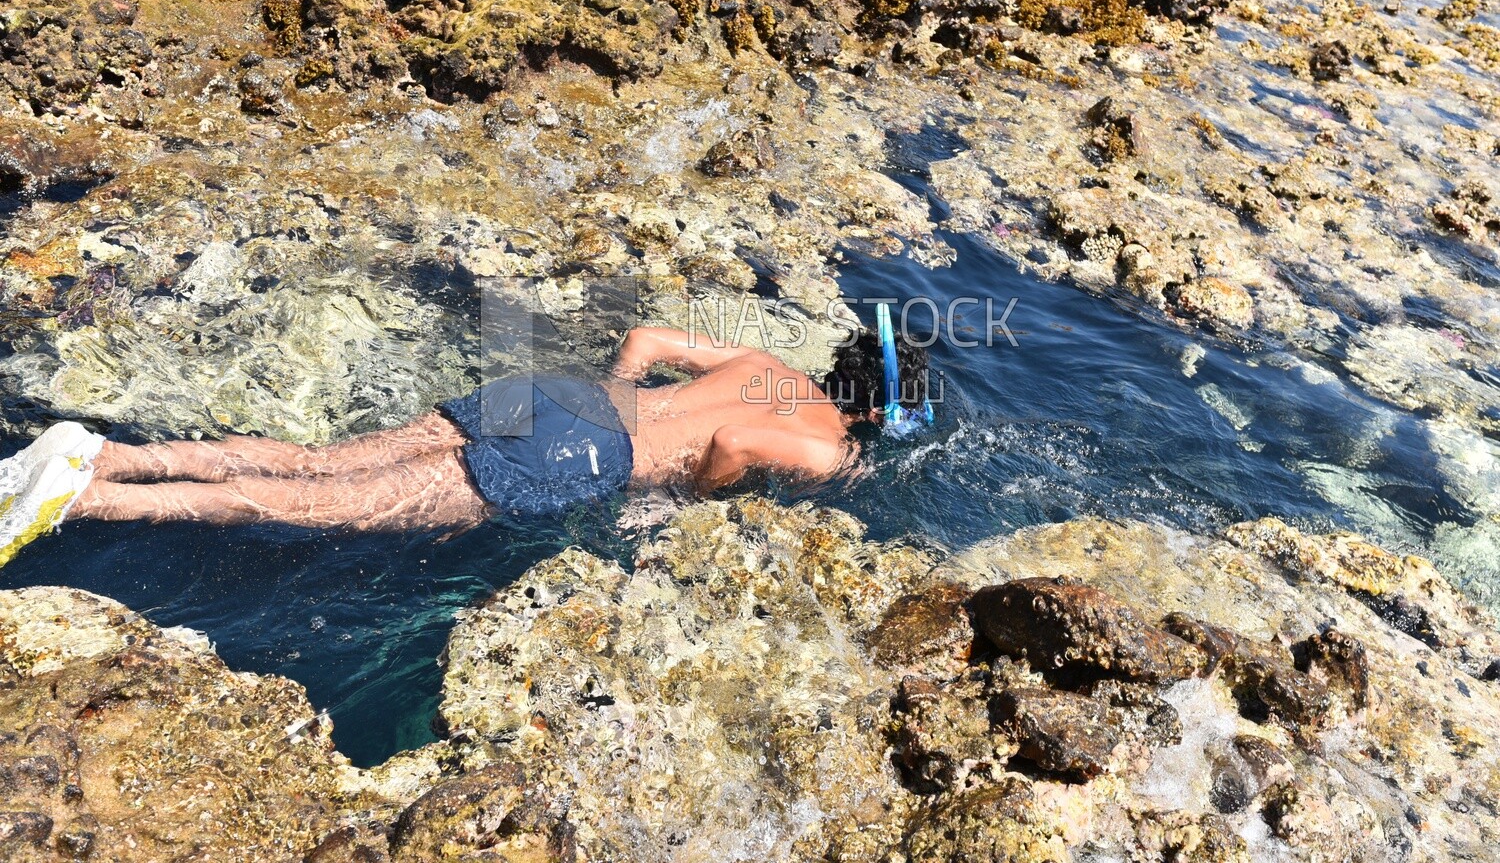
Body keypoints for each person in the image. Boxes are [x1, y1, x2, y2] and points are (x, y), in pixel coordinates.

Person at [0, 323, 933, 560]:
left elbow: (647, 343)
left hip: (552, 396)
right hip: (579, 457)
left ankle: (108, 454)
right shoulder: (835, 449)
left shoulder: (769, 358)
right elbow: (732, 442)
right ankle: (87, 498)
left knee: (326, 463)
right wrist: (683, 496)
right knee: (311, 507)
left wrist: (605, 402)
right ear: (879, 411)